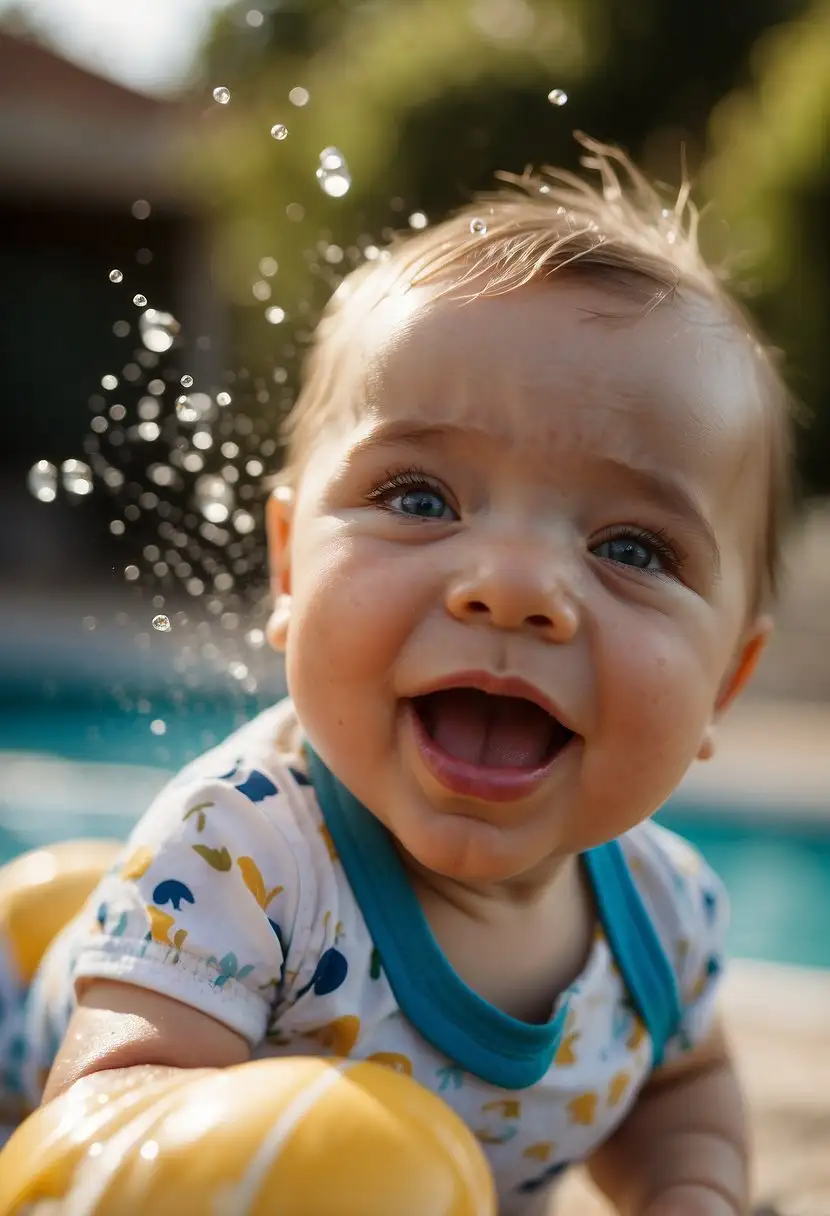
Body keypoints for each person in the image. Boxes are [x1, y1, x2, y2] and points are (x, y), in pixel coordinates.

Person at [5, 135, 795, 1214]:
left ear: (723, 681)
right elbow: (99, 1128)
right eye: (420, 497)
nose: (513, 587)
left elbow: (681, 1089)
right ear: (288, 566)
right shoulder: (243, 853)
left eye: (631, 548)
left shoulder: (666, 918)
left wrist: (689, 1188)